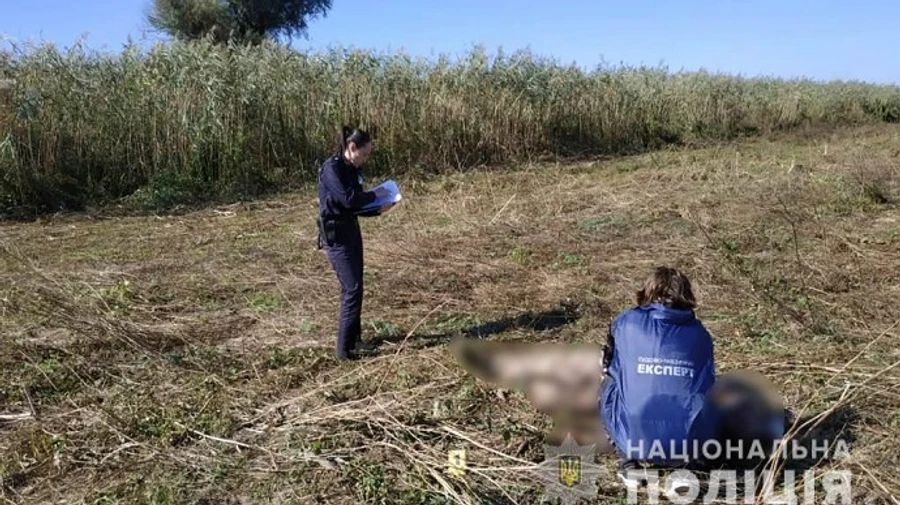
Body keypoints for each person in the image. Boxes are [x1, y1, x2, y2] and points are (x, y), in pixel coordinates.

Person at [599, 266, 720, 484]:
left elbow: (608, 364)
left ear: (648, 291)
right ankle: (690, 468)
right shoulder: (701, 334)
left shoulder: (626, 322)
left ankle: (627, 461)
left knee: (608, 381)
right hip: (689, 445)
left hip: (633, 440)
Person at [317, 126, 395, 361]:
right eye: (365, 153)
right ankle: (343, 351)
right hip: (336, 237)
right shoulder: (332, 169)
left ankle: (356, 340)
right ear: (352, 148)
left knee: (357, 286)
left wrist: (378, 210)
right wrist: (378, 195)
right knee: (351, 289)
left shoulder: (352, 169)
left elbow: (356, 205)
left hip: (350, 231)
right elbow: (350, 199)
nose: (366, 159)